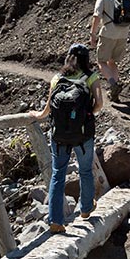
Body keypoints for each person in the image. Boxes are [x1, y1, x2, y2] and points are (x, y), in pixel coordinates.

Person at [30, 43, 104, 233]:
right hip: (82, 135)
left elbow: (47, 109)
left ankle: (55, 220)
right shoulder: (91, 77)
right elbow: (99, 104)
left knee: (58, 174)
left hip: (59, 135)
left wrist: (37, 115)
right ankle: (86, 208)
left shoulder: (57, 78)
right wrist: (87, 114)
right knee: (85, 170)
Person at [89, 0, 130, 101]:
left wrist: (92, 34)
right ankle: (114, 94)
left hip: (108, 33)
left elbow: (97, 16)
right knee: (112, 62)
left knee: (101, 61)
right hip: (123, 33)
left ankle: (113, 84)